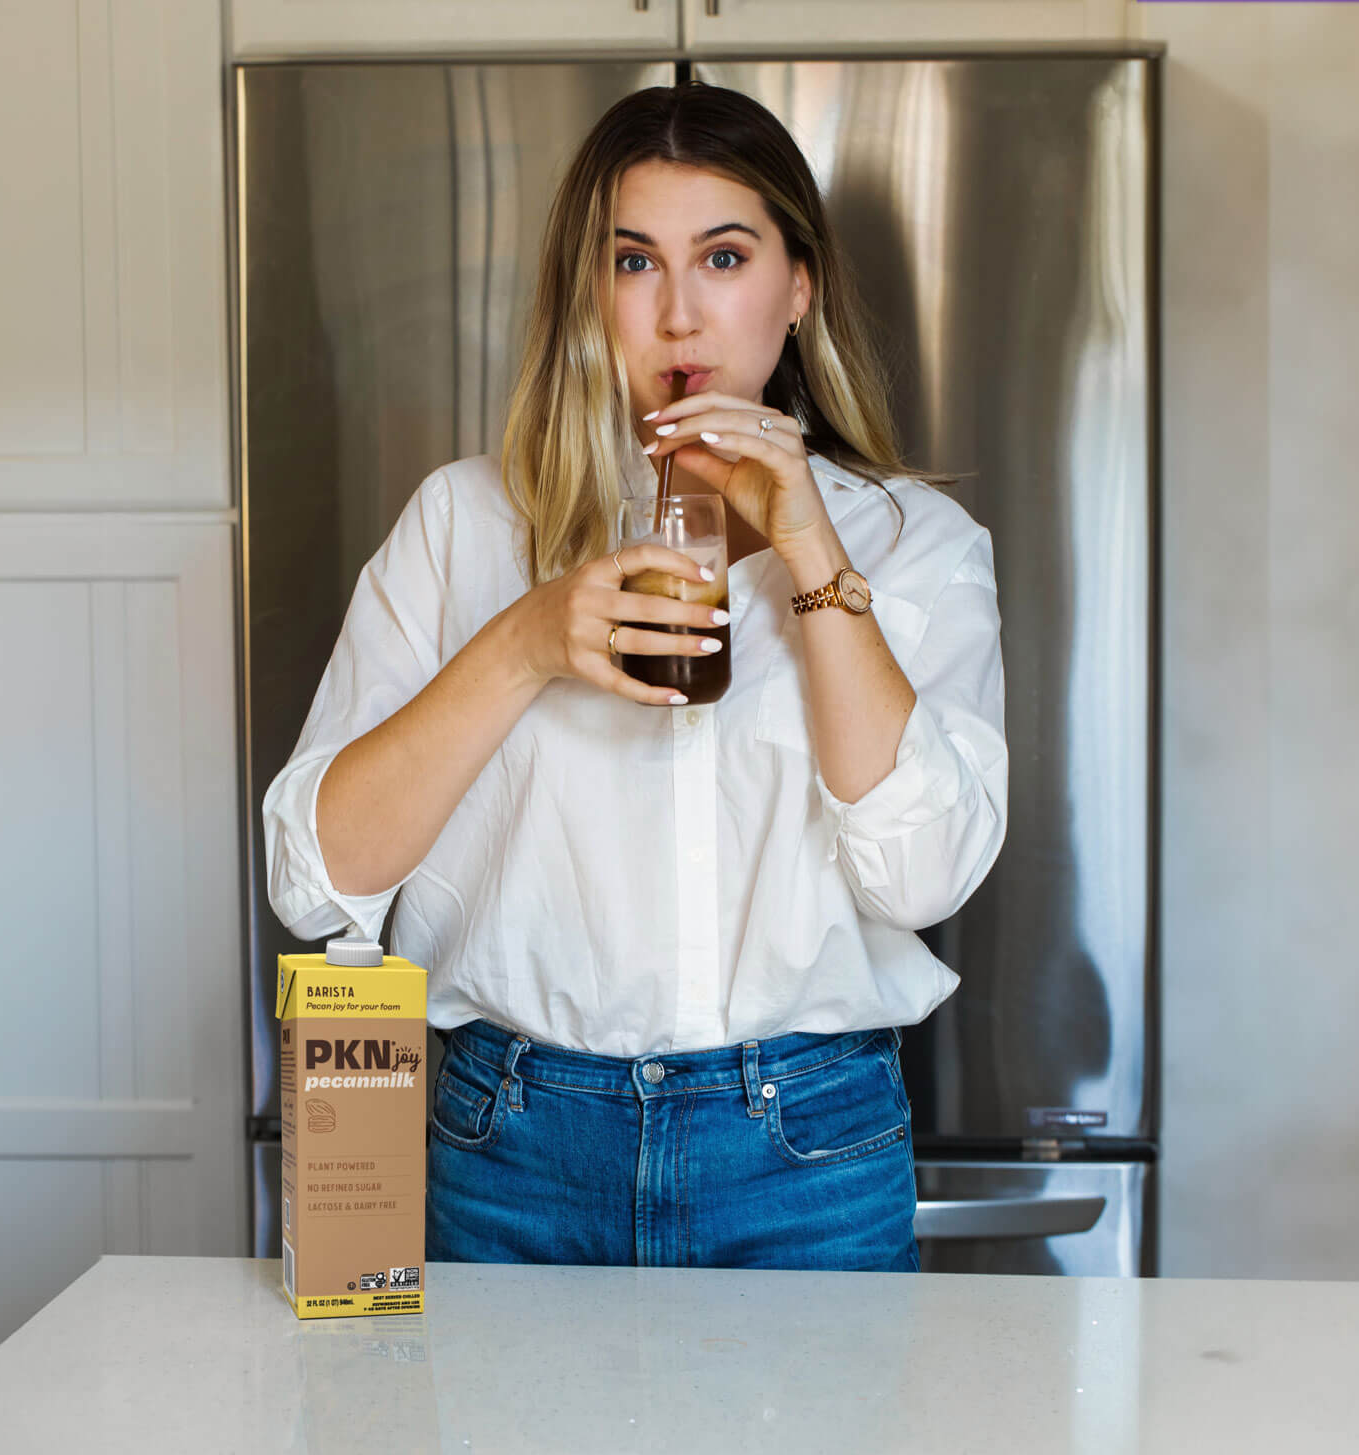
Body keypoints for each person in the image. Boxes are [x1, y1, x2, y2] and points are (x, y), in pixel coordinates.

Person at [263, 82, 1007, 1273]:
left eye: (723, 256)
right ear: (588, 290)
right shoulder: (466, 524)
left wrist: (811, 547)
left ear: (797, 284)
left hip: (805, 1156)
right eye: (633, 261)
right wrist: (526, 641)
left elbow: (923, 876)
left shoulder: (914, 544)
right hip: (512, 1146)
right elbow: (316, 882)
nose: (678, 316)